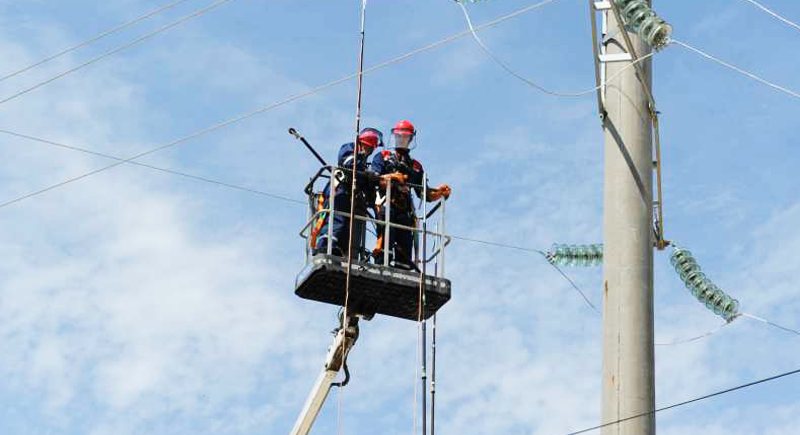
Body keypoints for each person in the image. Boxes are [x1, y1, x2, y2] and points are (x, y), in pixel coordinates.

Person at [371, 120, 451, 269]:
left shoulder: (415, 166)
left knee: (404, 252)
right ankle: (381, 267)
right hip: (385, 204)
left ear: (410, 138)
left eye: (404, 136)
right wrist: (392, 177)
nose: (401, 138)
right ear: (394, 136)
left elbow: (424, 194)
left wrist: (440, 192)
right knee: (385, 243)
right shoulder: (383, 156)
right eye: (398, 135)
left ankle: (403, 271)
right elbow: (373, 179)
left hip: (405, 211)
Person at [313, 128, 383, 259]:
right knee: (336, 219)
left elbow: (364, 182)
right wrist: (364, 169)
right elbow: (348, 163)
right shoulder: (350, 148)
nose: (369, 151)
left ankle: (339, 250)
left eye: (371, 149)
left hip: (351, 195)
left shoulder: (362, 161)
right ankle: (325, 246)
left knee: (346, 226)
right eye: (368, 147)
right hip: (339, 190)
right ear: (361, 143)